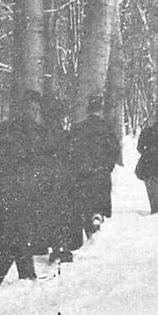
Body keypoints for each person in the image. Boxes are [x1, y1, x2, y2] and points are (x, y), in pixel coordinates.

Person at [0, 89, 51, 292]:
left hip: (6, 192)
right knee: (19, 235)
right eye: (31, 107)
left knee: (16, 234)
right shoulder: (39, 133)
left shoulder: (1, 130)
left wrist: (1, 180)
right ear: (22, 109)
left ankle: (26, 276)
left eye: (36, 108)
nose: (34, 112)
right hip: (27, 194)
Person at [39, 97, 83, 264]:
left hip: (47, 181)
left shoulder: (40, 136)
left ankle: (55, 247)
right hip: (64, 181)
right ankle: (63, 247)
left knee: (50, 215)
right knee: (64, 216)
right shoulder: (67, 136)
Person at [69, 93, 117, 237]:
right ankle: (97, 218)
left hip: (83, 174)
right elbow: (114, 150)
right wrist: (107, 167)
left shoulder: (78, 128)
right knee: (98, 202)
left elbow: (71, 150)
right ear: (100, 110)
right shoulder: (107, 128)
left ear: (88, 110)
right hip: (101, 174)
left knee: (84, 205)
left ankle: (89, 228)